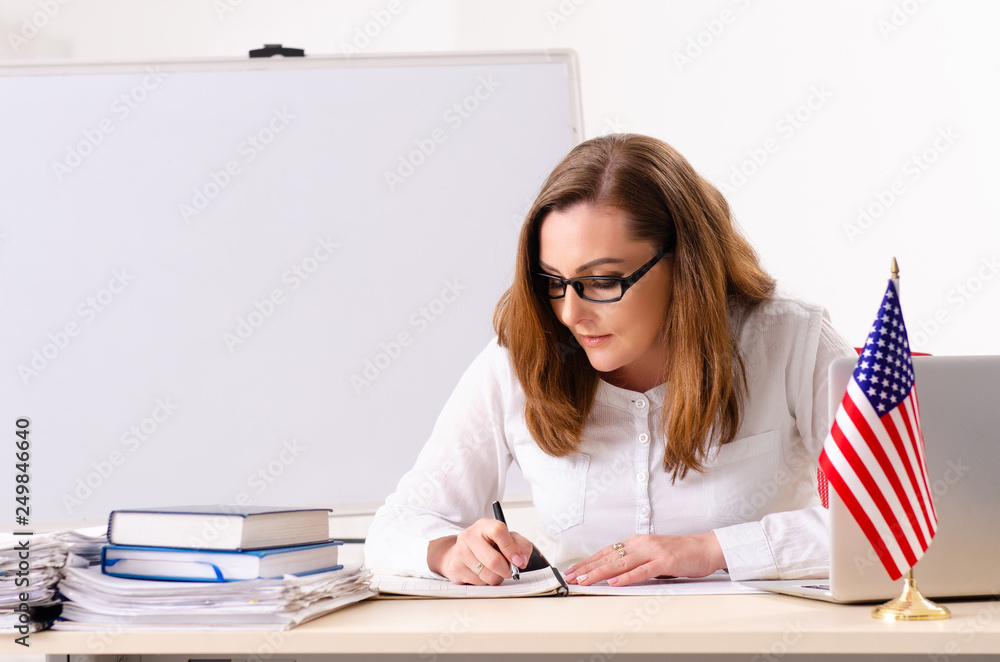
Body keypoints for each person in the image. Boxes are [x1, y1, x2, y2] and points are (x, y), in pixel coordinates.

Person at [365, 133, 854, 586]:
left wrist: (714, 549)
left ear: (685, 263)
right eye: (553, 282)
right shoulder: (521, 360)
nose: (570, 314)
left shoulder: (792, 341)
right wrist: (448, 552)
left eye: (602, 282)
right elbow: (396, 526)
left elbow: (894, 521)